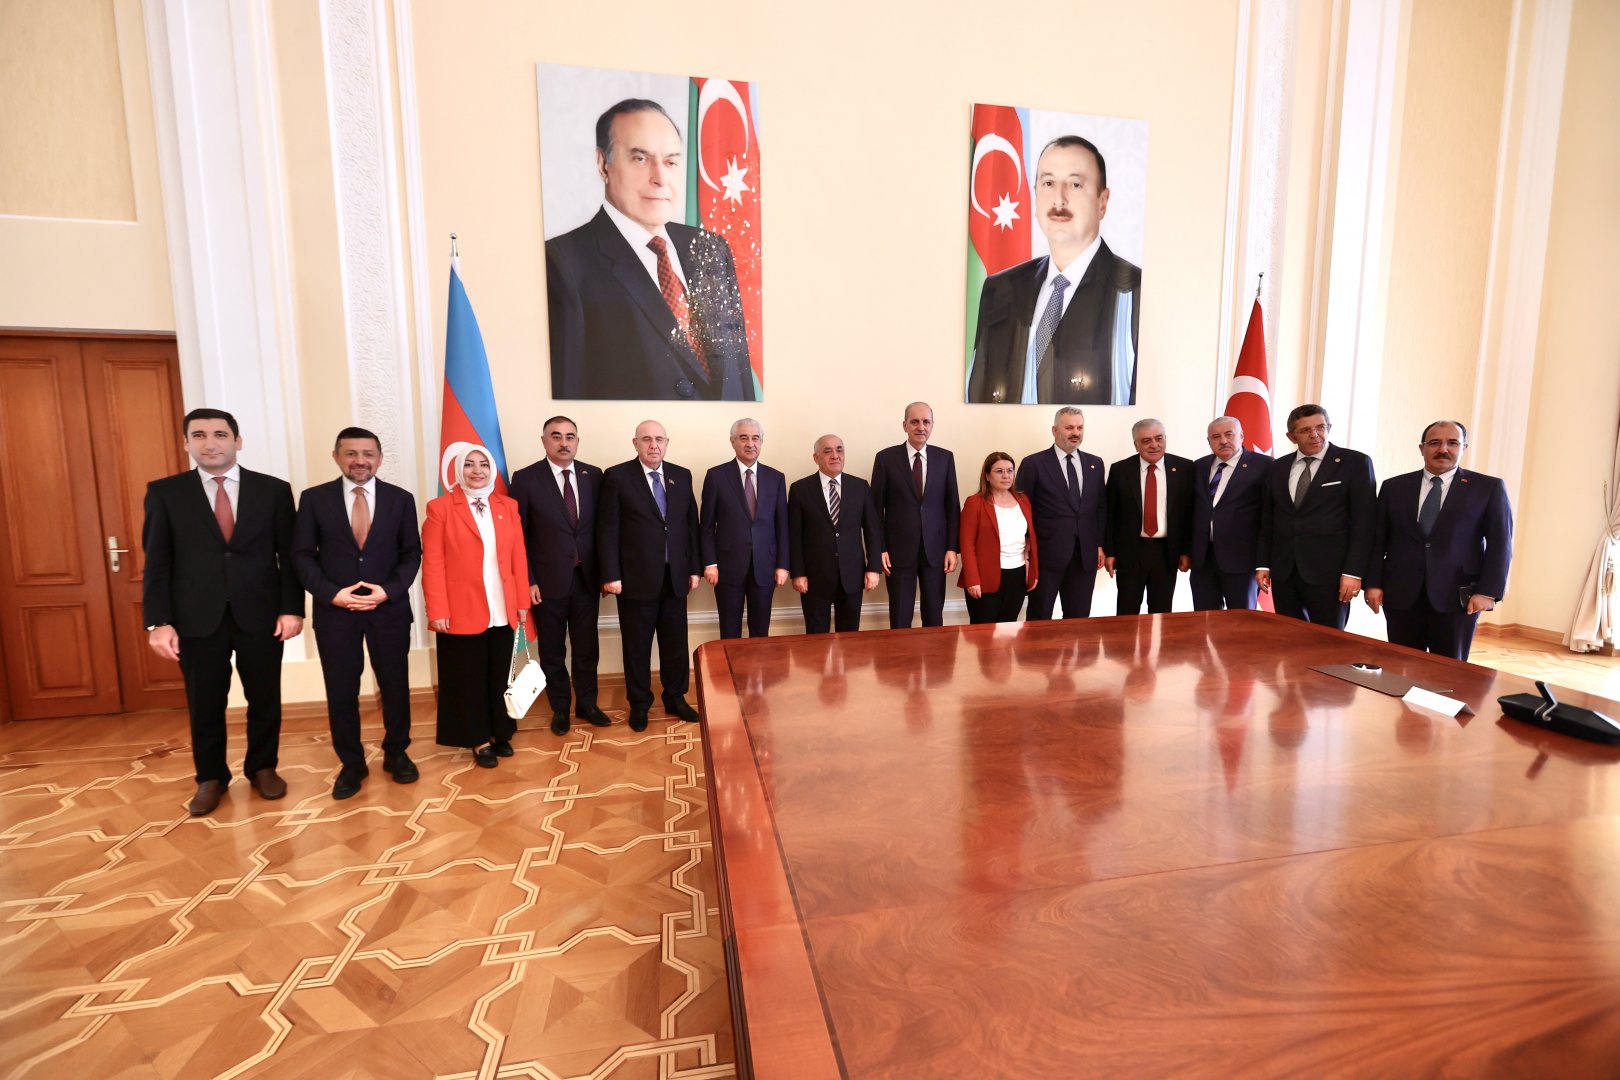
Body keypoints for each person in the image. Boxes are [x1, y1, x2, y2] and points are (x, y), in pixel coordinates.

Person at [142, 408, 304, 817]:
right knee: (205, 703)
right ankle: (210, 777)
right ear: (186, 443)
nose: (209, 443)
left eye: (219, 434)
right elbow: (157, 562)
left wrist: (291, 609)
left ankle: (263, 767)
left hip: (261, 615)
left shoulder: (273, 491)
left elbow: (289, 556)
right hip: (196, 619)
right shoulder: (165, 493)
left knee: (265, 697)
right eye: (199, 435)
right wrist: (159, 621)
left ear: (237, 441)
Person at [546, 98, 753, 401]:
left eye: (670, 162)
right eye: (640, 159)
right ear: (603, 164)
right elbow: (569, 393)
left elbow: (740, 378)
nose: (660, 178)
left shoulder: (710, 248)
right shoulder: (564, 262)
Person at [292, 427, 422, 799]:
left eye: (367, 454)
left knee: (395, 684)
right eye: (351, 453)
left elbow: (411, 553)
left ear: (379, 459)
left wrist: (388, 590)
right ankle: (351, 763)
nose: (359, 461)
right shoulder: (314, 499)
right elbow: (302, 555)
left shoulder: (401, 499)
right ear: (336, 457)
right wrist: (333, 594)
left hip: (388, 610)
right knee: (341, 689)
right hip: (336, 613)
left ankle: (397, 753)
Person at [967, 135, 1141, 406]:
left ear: (1102, 201)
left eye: (1075, 184)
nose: (1059, 199)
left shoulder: (1134, 290)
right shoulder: (1000, 290)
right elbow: (978, 390)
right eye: (1048, 183)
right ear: (1035, 194)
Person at [1364, 421, 1513, 661]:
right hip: (1401, 593)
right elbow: (1377, 540)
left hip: (1457, 597)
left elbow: (1500, 544)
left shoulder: (1488, 488)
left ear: (1464, 447)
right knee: (1400, 665)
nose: (1443, 449)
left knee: (1449, 669)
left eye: (1452, 443)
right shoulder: (1394, 487)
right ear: (1422, 448)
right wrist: (1373, 583)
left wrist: (1488, 592)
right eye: (1434, 443)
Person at [422, 445, 529, 768]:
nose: (477, 470)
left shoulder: (507, 505)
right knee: (467, 677)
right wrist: (437, 609)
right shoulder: (440, 508)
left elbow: (518, 557)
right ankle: (478, 738)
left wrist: (522, 601)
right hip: (459, 609)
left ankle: (501, 732)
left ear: (492, 470)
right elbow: (433, 563)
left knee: (500, 674)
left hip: (502, 606)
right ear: (459, 471)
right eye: (469, 465)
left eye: (483, 464)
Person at [510, 416, 612, 737]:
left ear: (577, 441)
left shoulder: (593, 475)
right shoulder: (526, 479)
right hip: (547, 582)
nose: (564, 442)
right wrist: (529, 579)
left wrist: (606, 574)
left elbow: (603, 530)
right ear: (544, 441)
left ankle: (587, 704)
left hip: (586, 580)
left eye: (570, 436)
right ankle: (560, 708)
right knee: (553, 650)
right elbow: (519, 536)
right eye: (556, 436)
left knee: (587, 648)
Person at [599, 420, 703, 731]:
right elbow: (607, 530)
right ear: (635, 443)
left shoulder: (681, 475)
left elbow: (691, 526)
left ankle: (675, 697)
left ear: (667, 443)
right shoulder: (617, 476)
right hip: (634, 579)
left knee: (675, 645)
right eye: (646, 439)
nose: (653, 445)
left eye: (659, 439)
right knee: (637, 647)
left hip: (675, 578)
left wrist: (694, 568)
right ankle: (640, 703)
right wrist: (611, 574)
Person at [1256, 404, 1376, 629]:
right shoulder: (1277, 467)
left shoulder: (1355, 463)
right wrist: (1263, 564)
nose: (1314, 434)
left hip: (1330, 574)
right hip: (1285, 571)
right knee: (1289, 637)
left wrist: (1353, 572)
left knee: (1328, 641)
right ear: (1291, 437)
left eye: (1321, 427)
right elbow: (1268, 520)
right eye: (1305, 430)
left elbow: (1365, 523)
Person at [871, 402, 961, 628]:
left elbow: (952, 507)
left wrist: (952, 548)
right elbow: (875, 511)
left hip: (936, 551)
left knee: (934, 617)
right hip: (898, 552)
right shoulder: (885, 458)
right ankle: (901, 654)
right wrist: (880, 548)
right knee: (901, 618)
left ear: (932, 425)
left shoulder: (945, 458)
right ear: (905, 425)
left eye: (926, 422)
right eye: (914, 422)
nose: (921, 427)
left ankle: (935, 653)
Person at [700, 418, 789, 639]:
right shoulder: (716, 476)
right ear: (732, 442)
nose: (750, 443)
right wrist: (710, 563)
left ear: (761, 442)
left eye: (755, 438)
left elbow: (782, 526)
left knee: (760, 632)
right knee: (730, 631)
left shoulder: (776, 478)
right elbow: (707, 526)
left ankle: (759, 665)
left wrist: (782, 565)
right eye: (743, 438)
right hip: (727, 567)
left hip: (765, 566)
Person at [1015, 407, 1107, 619]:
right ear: (1055, 430)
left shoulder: (1095, 463)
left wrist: (1099, 544)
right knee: (1040, 616)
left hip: (1084, 555)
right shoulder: (1033, 463)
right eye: (1069, 427)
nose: (1076, 432)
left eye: (1080, 427)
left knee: (1079, 617)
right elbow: (1023, 509)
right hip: (1047, 555)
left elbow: (1101, 507)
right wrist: (1027, 548)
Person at [788, 435, 883, 633]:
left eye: (839, 450)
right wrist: (798, 573)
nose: (835, 455)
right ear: (816, 457)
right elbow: (794, 537)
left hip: (852, 576)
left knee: (849, 638)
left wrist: (873, 568)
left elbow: (873, 531)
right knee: (816, 638)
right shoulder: (800, 489)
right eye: (827, 451)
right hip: (814, 578)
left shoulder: (860, 487)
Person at [1104, 419, 1194, 614]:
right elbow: (1110, 514)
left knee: (1161, 612)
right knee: (1127, 612)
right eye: (1146, 441)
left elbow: (1188, 514)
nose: (1154, 445)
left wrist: (1186, 551)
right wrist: (1110, 552)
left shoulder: (1185, 468)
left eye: (1159, 438)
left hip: (1166, 553)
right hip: (1130, 552)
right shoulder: (1120, 470)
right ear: (1136, 445)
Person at [1189, 416, 1269, 611]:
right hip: (1203, 559)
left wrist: (1263, 563)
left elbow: (1269, 517)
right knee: (1205, 618)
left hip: (1243, 561)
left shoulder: (1264, 465)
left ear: (1241, 436)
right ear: (1209, 441)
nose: (1223, 441)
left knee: (1241, 620)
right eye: (1216, 437)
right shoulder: (1199, 466)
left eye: (1229, 434)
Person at [957, 452, 1039, 623]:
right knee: (983, 632)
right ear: (987, 476)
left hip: (1017, 575)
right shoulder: (975, 503)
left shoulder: (1023, 500)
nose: (1006, 476)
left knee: (1008, 629)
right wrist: (972, 580)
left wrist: (1030, 568)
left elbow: (1028, 538)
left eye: (1010, 470)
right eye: (999, 471)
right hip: (984, 577)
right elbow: (966, 544)